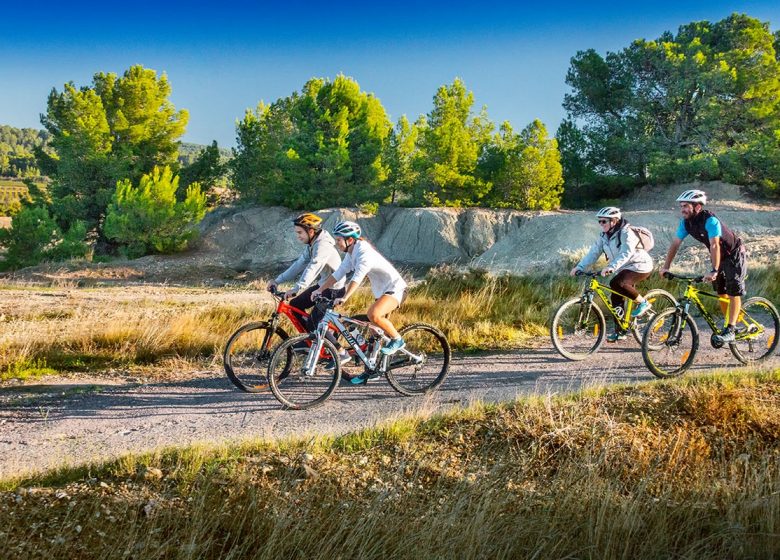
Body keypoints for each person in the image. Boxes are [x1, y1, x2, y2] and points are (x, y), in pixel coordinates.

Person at [312, 220, 408, 384]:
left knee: (374, 314)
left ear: (349, 240)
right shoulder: (351, 253)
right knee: (374, 334)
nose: (337, 243)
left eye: (338, 240)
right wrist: (319, 290)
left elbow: (357, 278)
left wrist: (345, 297)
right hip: (382, 292)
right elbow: (339, 273)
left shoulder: (364, 252)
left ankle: (398, 340)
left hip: (396, 289)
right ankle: (371, 370)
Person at [660, 189, 746, 343]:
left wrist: (714, 269)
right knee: (721, 292)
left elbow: (714, 245)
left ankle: (731, 329)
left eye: (686, 206)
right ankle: (732, 323)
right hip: (719, 256)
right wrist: (666, 266)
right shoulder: (686, 223)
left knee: (733, 291)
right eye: (681, 206)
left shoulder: (710, 220)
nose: (682, 209)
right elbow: (675, 244)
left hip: (734, 253)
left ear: (697, 206)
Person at [571, 207, 654, 342]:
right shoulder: (604, 236)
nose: (601, 224)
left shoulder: (626, 233)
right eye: (599, 222)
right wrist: (579, 266)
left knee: (617, 283)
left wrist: (611, 267)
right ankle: (620, 331)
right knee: (615, 296)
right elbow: (593, 253)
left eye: (604, 221)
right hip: (623, 267)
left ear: (614, 221)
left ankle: (643, 303)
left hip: (640, 265)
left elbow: (626, 253)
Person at [267, 212, 345, 322]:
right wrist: (277, 281)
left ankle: (317, 338)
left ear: (311, 231)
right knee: (295, 305)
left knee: (313, 325)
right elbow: (299, 264)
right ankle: (308, 338)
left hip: (334, 289)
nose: (298, 236)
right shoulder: (313, 244)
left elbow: (313, 267)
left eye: (300, 232)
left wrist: (297, 288)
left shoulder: (323, 245)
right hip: (324, 285)